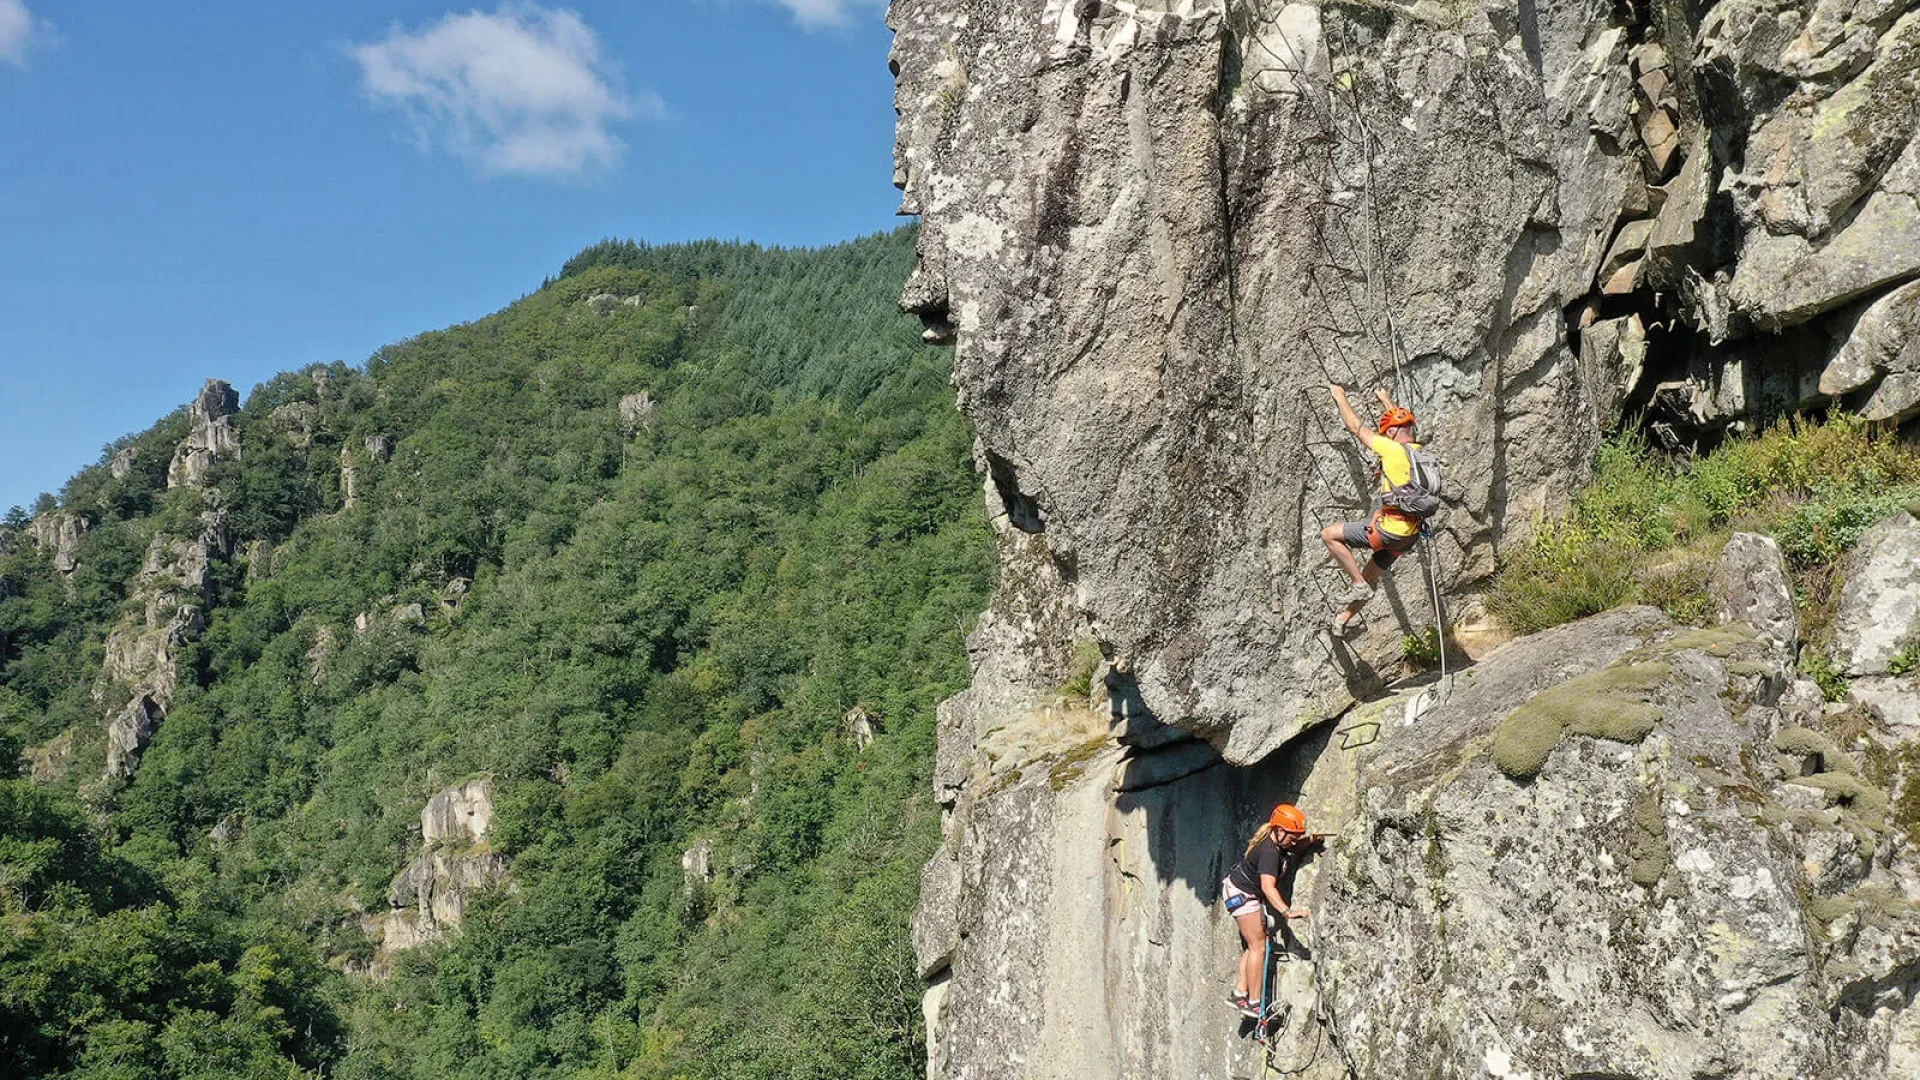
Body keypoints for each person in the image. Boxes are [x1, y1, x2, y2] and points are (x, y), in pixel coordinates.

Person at [1319, 384, 1427, 637]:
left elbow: (1356, 428)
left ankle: (1356, 584)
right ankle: (1343, 619)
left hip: (1390, 531)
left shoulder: (1390, 449)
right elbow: (1401, 426)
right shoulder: (1418, 452)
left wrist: (1340, 397)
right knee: (1371, 577)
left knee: (1329, 535)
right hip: (1407, 537)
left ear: (1390, 433)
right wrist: (1386, 400)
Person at [1223, 803, 1317, 1018]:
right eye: (1293, 836)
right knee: (1259, 947)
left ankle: (1239, 993)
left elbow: (1293, 847)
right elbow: (1268, 887)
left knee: (1253, 944)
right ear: (1279, 831)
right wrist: (1287, 911)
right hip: (1243, 896)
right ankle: (1253, 1003)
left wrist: (1311, 840)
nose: (1295, 840)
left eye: (1297, 836)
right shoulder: (1269, 853)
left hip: (1238, 892)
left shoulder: (1277, 844)